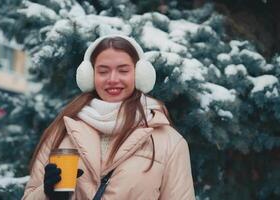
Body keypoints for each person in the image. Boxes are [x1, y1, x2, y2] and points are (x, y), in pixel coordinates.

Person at [22, 34, 195, 200]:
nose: (112, 79)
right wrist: (48, 195)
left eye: (123, 70)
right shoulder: (62, 131)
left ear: (139, 74)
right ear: (90, 76)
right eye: (103, 71)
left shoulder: (170, 142)